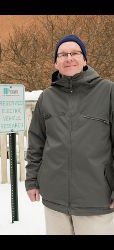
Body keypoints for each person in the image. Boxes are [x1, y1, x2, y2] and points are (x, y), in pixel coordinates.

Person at [25, 34, 114, 235]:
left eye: (74, 53)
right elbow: (36, 143)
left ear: (85, 60)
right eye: (62, 54)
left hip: (96, 199)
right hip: (55, 200)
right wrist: (32, 180)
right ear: (56, 62)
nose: (68, 58)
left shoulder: (108, 92)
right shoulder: (46, 98)